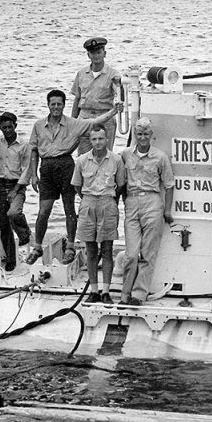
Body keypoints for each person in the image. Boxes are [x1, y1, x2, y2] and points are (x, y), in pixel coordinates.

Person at [25, 89, 121, 266]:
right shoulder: (38, 125)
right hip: (46, 168)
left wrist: (114, 111)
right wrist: (33, 174)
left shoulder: (73, 123)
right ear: (48, 105)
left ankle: (70, 246)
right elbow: (33, 150)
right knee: (43, 210)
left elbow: (95, 122)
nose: (56, 107)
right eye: (52, 104)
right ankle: (37, 247)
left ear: (63, 105)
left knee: (69, 208)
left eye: (59, 104)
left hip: (66, 165)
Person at [120, 117, 174, 306]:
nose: (142, 137)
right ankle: (125, 294)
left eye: (146, 134)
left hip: (152, 202)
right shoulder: (126, 154)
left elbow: (169, 185)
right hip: (132, 202)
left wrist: (167, 210)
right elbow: (120, 180)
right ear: (135, 134)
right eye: (139, 134)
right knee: (132, 254)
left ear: (151, 135)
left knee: (148, 253)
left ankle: (138, 294)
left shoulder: (160, 157)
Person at [71, 124, 126, 303]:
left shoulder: (116, 160)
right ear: (90, 140)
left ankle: (106, 291)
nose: (98, 142)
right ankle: (93, 290)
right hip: (88, 202)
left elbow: (121, 185)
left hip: (107, 202)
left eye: (101, 138)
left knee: (107, 249)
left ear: (107, 139)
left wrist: (108, 201)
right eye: (94, 139)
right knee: (91, 249)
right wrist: (88, 200)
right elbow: (77, 186)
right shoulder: (81, 160)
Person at [0, 111, 32, 272]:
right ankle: (11, 258)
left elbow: (27, 170)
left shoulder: (24, 145)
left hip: (17, 185)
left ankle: (25, 234)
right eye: (4, 127)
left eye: (10, 127)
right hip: (0, 184)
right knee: (4, 223)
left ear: (15, 126)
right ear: (0, 128)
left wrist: (16, 189)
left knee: (13, 213)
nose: (7, 130)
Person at [71, 37, 121, 155]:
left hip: (105, 118)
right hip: (85, 117)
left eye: (99, 52)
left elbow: (119, 94)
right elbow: (77, 99)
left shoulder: (113, 74)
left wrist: (119, 85)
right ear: (88, 55)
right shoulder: (81, 73)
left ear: (105, 53)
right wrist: (73, 122)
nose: (96, 56)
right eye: (93, 53)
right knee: (84, 157)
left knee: (106, 156)